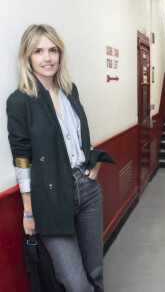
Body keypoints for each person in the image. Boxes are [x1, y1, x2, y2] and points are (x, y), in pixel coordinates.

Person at [6, 24, 115, 292]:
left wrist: (93, 158)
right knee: (76, 283)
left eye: (53, 50)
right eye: (38, 51)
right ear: (27, 57)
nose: (47, 58)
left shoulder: (70, 90)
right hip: (51, 197)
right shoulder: (20, 101)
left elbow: (77, 137)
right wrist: (29, 211)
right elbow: (22, 160)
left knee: (95, 272)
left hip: (87, 189)